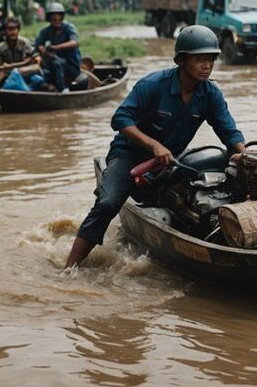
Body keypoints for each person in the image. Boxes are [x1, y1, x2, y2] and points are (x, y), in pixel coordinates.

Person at [64, 25, 247, 268]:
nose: (207, 65)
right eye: (200, 59)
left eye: (211, 59)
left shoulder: (210, 93)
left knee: (222, 168)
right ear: (182, 60)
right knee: (108, 204)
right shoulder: (153, 85)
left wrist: (245, 156)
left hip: (170, 161)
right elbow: (120, 119)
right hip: (129, 156)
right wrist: (154, 145)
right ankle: (70, 267)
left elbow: (229, 131)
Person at [34, 2, 82, 92]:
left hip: (71, 65)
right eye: (54, 19)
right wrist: (42, 49)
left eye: (59, 18)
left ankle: (63, 90)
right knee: (41, 72)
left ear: (62, 17)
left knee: (57, 63)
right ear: (49, 19)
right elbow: (38, 44)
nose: (57, 20)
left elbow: (74, 42)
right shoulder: (46, 31)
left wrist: (56, 47)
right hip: (52, 63)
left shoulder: (69, 27)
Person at [0, 17, 39, 88]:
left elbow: (27, 62)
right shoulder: (1, 47)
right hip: (9, 74)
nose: (14, 32)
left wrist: (10, 66)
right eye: (10, 29)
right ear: (5, 32)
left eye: (15, 29)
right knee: (1, 72)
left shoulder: (24, 43)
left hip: (24, 72)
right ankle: (2, 86)